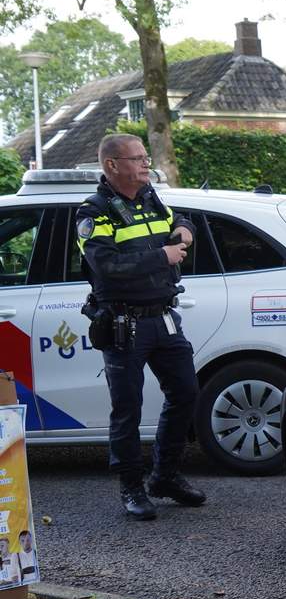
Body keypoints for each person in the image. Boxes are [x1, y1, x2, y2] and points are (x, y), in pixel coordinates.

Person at [77, 134, 206, 520]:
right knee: (127, 409)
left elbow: (178, 220)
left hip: (163, 317)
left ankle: (164, 476)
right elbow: (108, 265)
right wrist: (161, 255)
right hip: (123, 323)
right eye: (137, 159)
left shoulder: (150, 196)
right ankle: (132, 488)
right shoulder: (94, 212)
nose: (146, 164)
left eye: (146, 158)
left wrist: (185, 231)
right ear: (113, 165)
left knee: (185, 393)